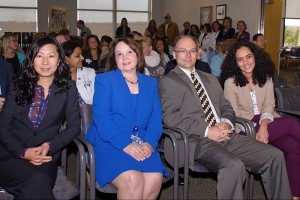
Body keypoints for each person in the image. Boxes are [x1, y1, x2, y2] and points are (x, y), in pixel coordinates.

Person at [159, 35, 292, 200]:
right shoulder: (168, 81)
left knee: (274, 156)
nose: (188, 55)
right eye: (183, 51)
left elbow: (227, 107)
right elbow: (170, 117)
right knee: (233, 166)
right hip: (194, 140)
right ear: (174, 54)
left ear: (198, 53)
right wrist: (208, 131)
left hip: (226, 134)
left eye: (192, 50)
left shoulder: (210, 79)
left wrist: (227, 123)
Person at [85, 37, 167, 200]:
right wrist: (125, 145)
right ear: (114, 59)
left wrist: (150, 143)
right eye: (119, 54)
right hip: (109, 142)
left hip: (142, 141)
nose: (125, 57)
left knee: (155, 178)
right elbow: (102, 121)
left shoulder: (150, 83)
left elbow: (156, 120)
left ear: (138, 55)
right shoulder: (104, 81)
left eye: (129, 52)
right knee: (133, 180)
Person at [0, 36, 81, 199]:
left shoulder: (68, 88)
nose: (45, 62)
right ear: (32, 59)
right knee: (37, 183)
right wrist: (23, 152)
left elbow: (74, 127)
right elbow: (3, 126)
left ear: (59, 60)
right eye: (39, 56)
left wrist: (49, 146)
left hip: (45, 156)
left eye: (51, 56)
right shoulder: (18, 84)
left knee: (36, 182)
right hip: (10, 154)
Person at [221, 42, 300, 200]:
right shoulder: (230, 82)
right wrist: (257, 127)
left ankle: (294, 196)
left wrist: (264, 125)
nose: (246, 62)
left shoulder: (266, 77)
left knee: (294, 146)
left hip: (268, 121)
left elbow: (270, 104)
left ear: (255, 57)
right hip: (245, 126)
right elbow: (233, 114)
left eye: (249, 57)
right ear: (235, 63)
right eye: (240, 59)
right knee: (292, 124)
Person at [62, 40, 95, 105]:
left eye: (81, 54)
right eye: (77, 56)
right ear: (66, 58)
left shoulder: (90, 73)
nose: (82, 58)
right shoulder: (57, 77)